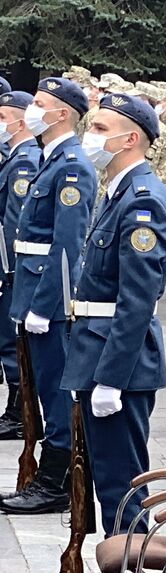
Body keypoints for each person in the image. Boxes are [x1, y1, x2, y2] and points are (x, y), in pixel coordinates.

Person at [48, 92, 166, 573]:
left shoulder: (144, 201)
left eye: (101, 127)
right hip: (96, 349)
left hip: (115, 361)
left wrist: (111, 378)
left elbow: (135, 301)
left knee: (120, 480)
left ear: (131, 139)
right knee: (107, 474)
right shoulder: (119, 189)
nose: (90, 135)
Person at [1, 78, 97, 515]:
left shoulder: (72, 166)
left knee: (58, 392)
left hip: (48, 299)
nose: (31, 111)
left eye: (39, 104)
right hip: (31, 288)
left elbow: (67, 245)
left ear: (61, 114)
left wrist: (45, 305)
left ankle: (56, 478)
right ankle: (48, 472)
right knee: (42, 385)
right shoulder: (51, 158)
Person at [0, 90, 43, 440]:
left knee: (10, 342)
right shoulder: (16, 157)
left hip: (11, 269)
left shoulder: (25, 162)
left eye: (2, 117)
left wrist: (11, 275)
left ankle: (19, 411)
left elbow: (16, 224)